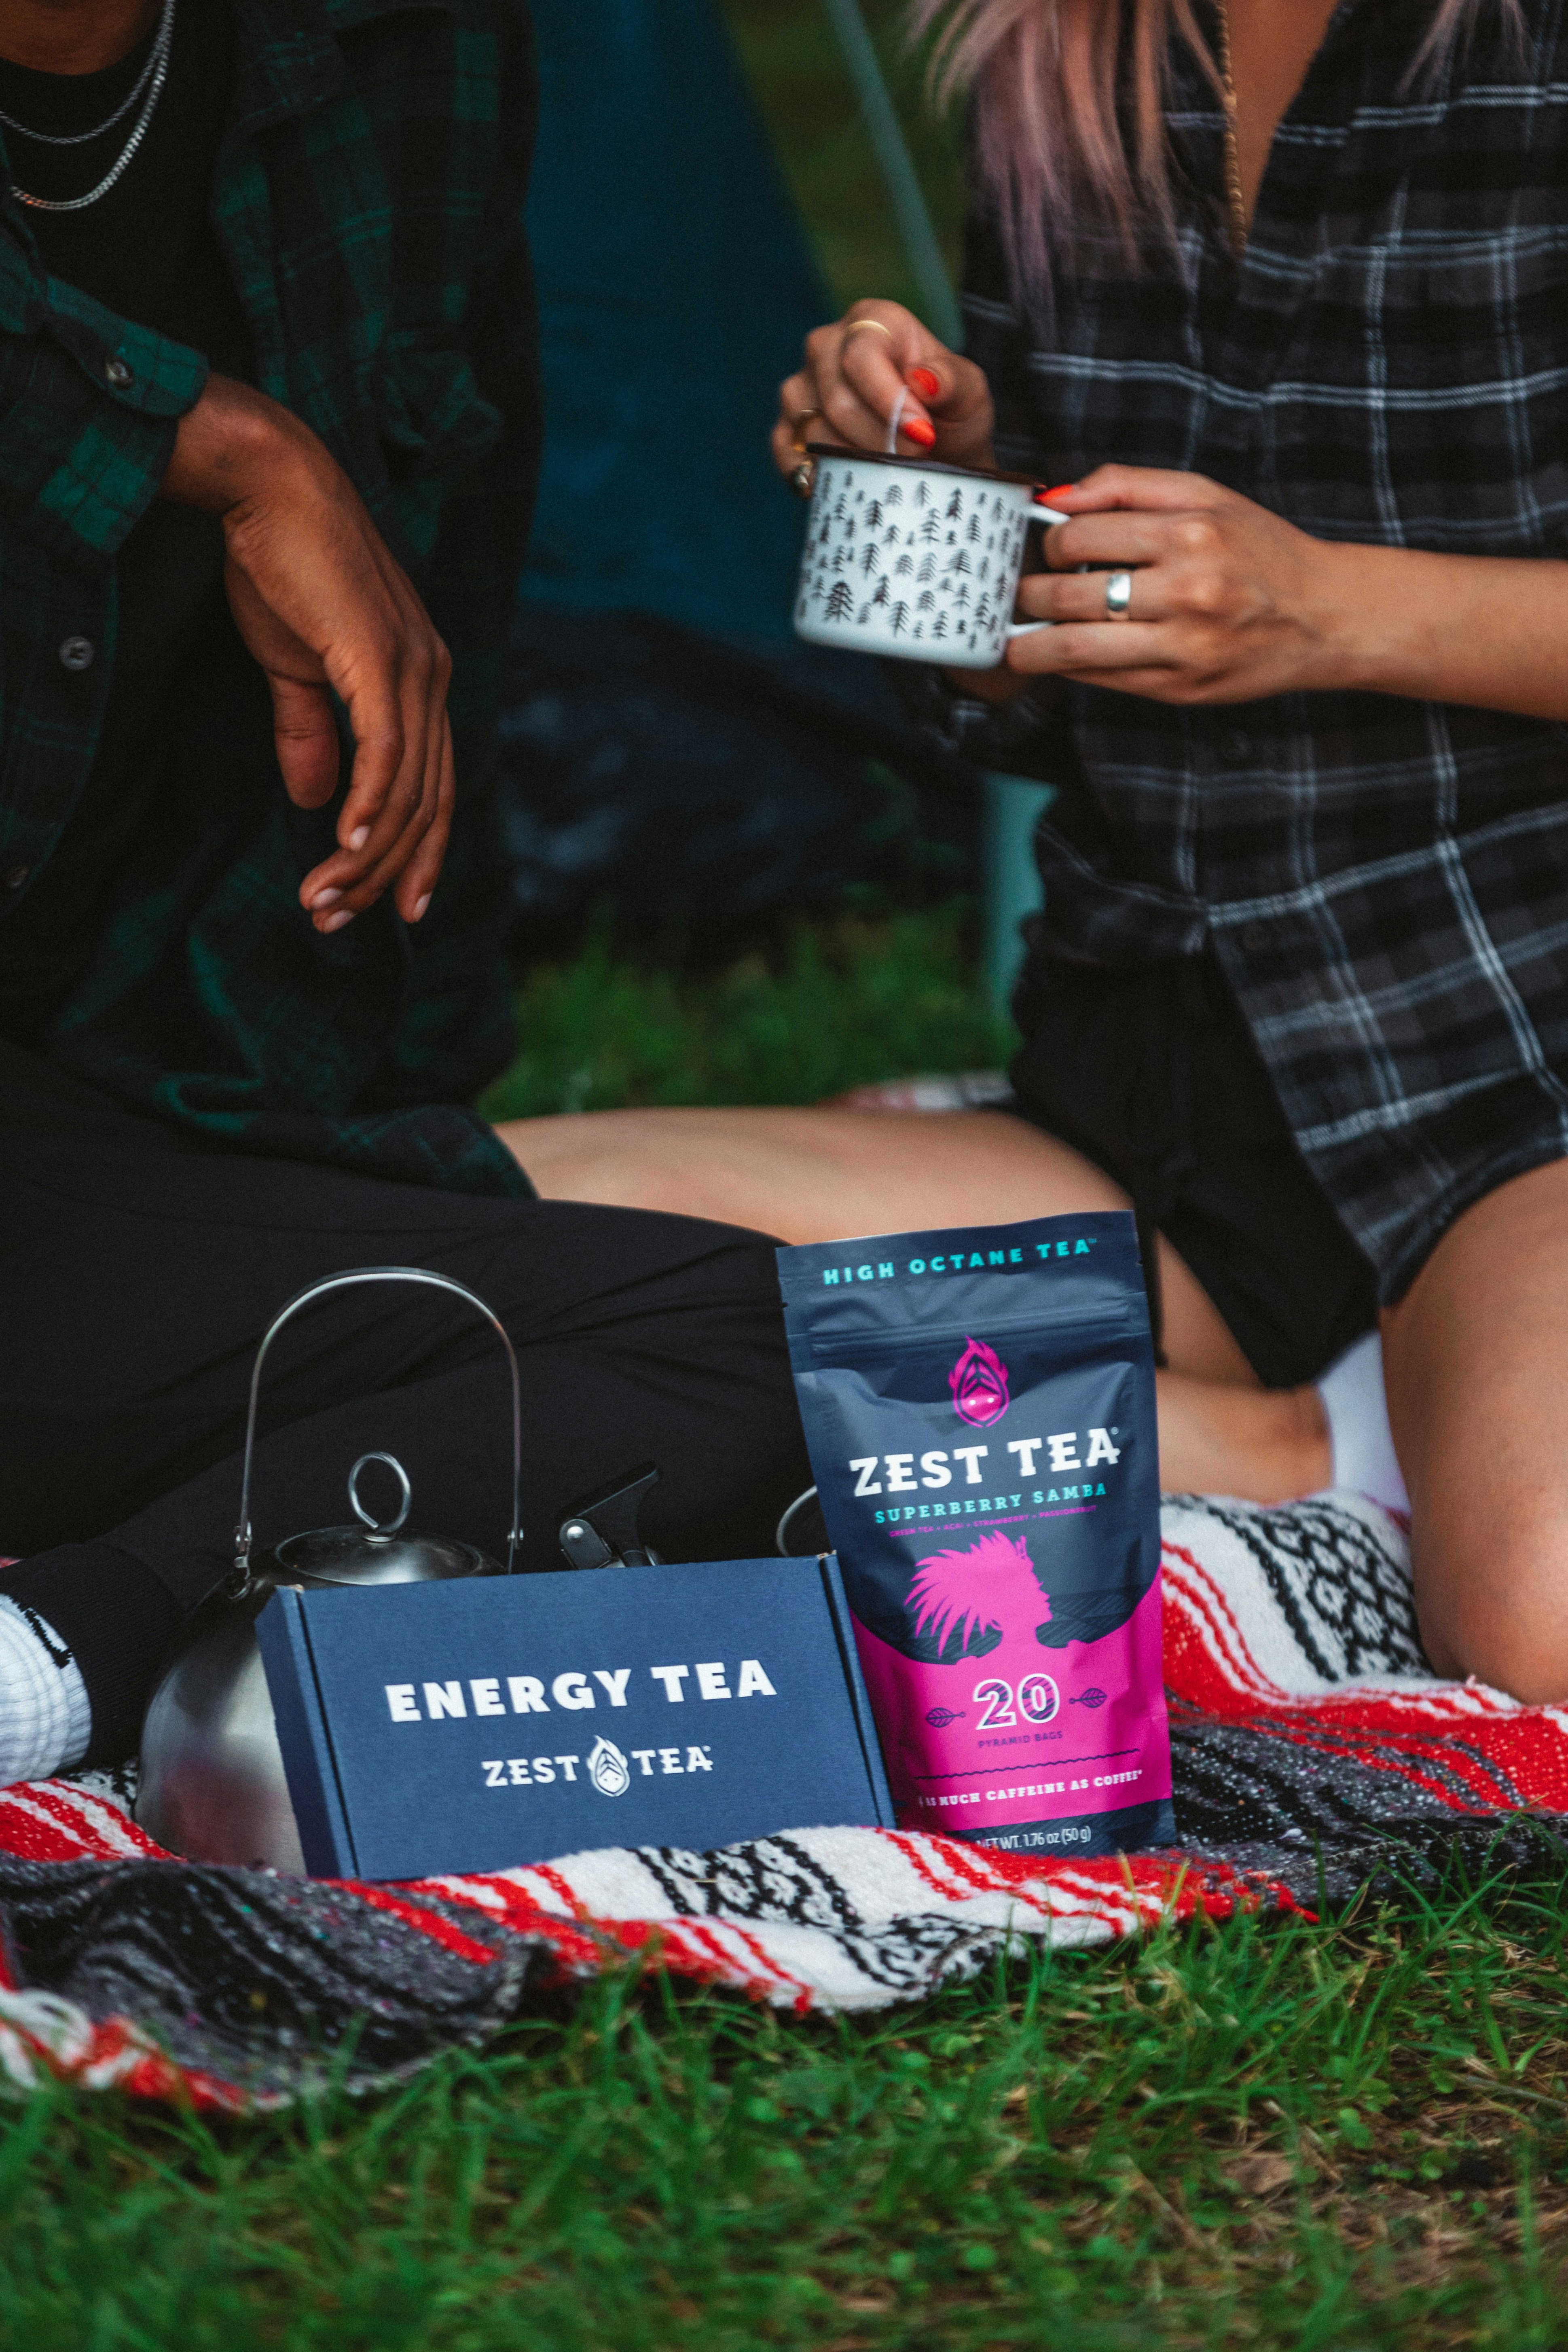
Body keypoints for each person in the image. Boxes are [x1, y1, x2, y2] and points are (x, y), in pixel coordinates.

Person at [504, 0, 1568, 1705]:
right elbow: (1024, 692)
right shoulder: (1063, 54)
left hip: (1511, 1061)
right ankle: (1312, 1438)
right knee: (483, 1248)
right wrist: (930, 491)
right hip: (1158, 1081)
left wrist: (1330, 611)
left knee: (1545, 1611)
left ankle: (1403, 1406)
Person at [0, 0, 537, 1198]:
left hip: (159, 1079)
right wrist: (224, 452)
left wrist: (419, 1103)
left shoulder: (420, 35)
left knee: (665, 1290)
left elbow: (450, 570)